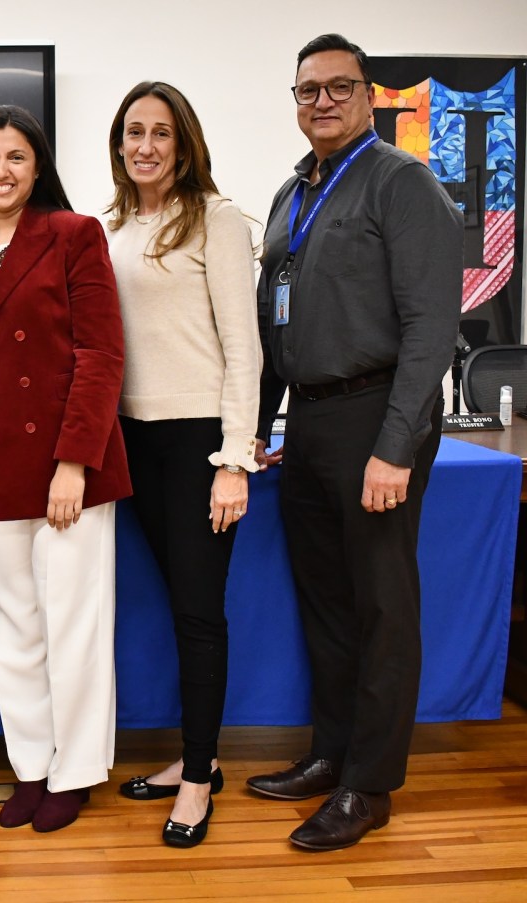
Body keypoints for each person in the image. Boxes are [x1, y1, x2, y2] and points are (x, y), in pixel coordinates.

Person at [246, 34, 462, 851]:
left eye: (340, 88)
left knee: (380, 606)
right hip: (311, 422)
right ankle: (330, 754)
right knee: (328, 603)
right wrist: (262, 426)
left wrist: (396, 446)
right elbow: (274, 323)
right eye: (308, 90)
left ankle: (368, 785)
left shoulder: (402, 183)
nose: (323, 102)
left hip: (378, 416)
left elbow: (432, 327)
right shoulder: (288, 194)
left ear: (370, 97)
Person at [0, 105, 130, 833]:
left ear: (38, 164)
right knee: (14, 619)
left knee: (73, 621)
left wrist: (74, 463)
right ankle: (31, 763)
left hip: (63, 459)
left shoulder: (73, 234)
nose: (0, 169)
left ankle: (75, 769)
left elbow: (101, 354)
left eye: (16, 156)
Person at [106, 82, 261, 848]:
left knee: (199, 615)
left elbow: (245, 348)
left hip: (198, 441)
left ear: (183, 141)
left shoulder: (217, 220)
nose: (145, 145)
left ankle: (199, 779)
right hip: (133, 441)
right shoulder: (111, 228)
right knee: (178, 605)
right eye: (133, 132)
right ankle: (189, 756)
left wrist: (235, 459)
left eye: (160, 132)